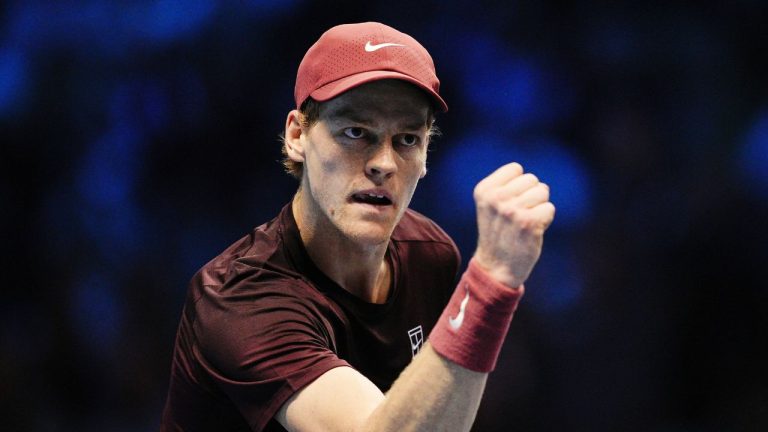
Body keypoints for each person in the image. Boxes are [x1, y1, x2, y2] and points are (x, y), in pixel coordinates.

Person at [161, 22, 555, 432]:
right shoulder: (238, 298)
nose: (384, 163)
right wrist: (489, 284)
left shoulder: (430, 255)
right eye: (355, 132)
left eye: (407, 139)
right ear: (297, 135)